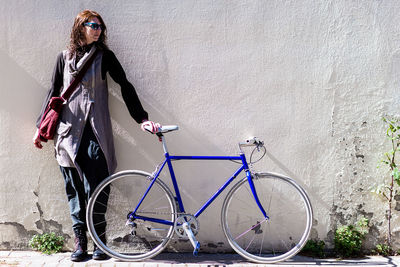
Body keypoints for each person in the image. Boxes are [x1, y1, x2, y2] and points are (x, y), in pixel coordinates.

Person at [33, 10, 160, 262]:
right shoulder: (63, 58)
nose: (98, 29)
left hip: (95, 133)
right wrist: (40, 126)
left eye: (100, 26)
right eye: (93, 25)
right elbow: (54, 91)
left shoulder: (105, 57)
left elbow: (125, 85)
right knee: (75, 190)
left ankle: (99, 241)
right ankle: (81, 243)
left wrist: (142, 119)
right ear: (80, 27)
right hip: (67, 134)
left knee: (98, 188)